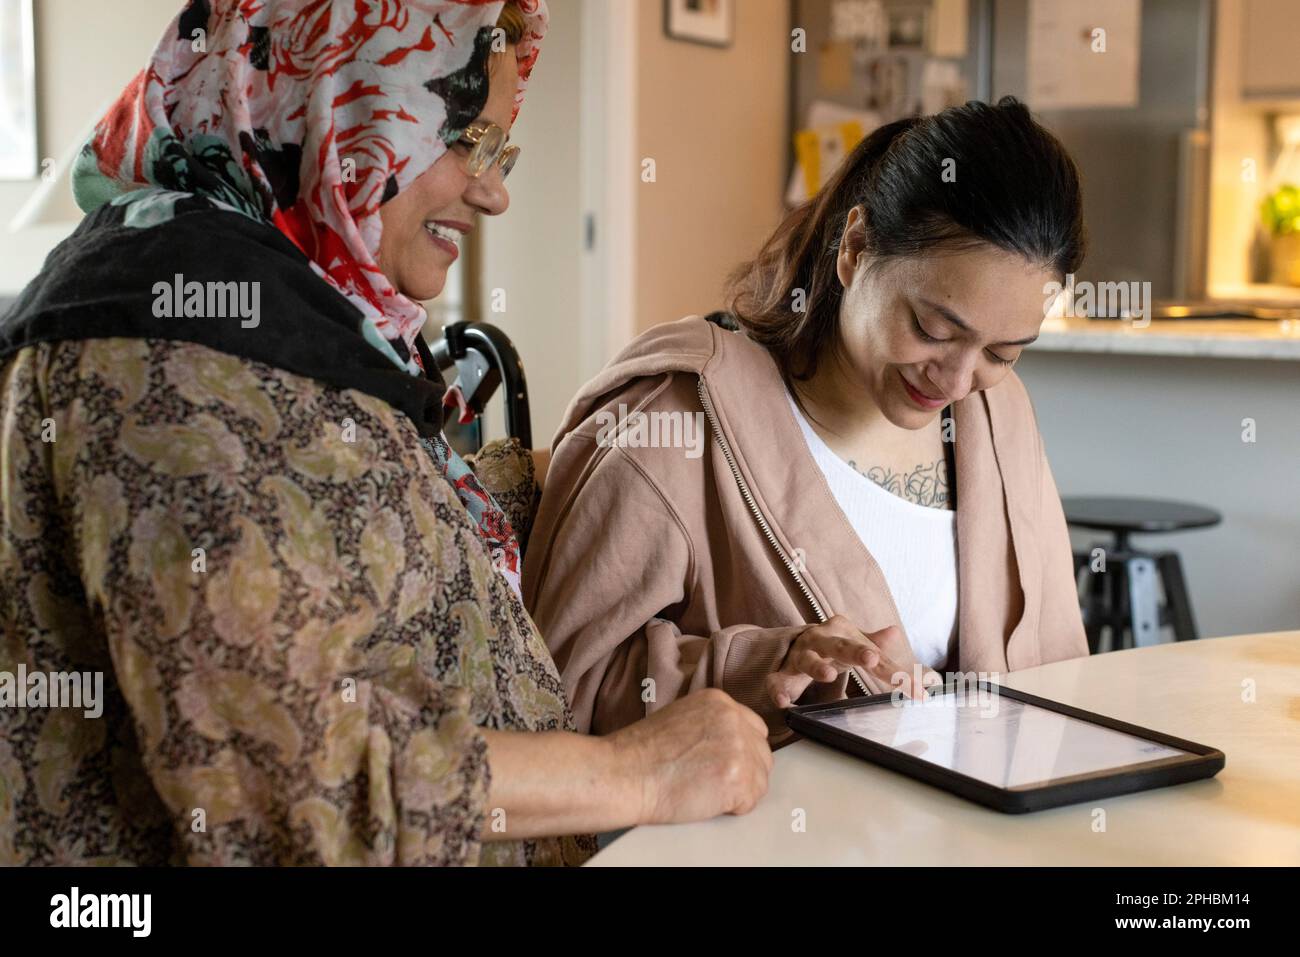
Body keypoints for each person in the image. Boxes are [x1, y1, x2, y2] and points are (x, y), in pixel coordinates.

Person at [0, 0, 771, 867]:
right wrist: (639, 773)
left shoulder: (288, 306)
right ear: (341, 98)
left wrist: (604, 468)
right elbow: (287, 774)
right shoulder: (165, 352)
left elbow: (367, 528)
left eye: (498, 146)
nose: (494, 189)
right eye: (465, 140)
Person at [525, 98, 1091, 742]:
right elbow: (552, 693)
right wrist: (758, 668)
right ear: (854, 248)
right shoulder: (671, 421)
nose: (959, 382)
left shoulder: (998, 415)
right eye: (932, 329)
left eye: (1001, 352)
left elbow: (1060, 671)